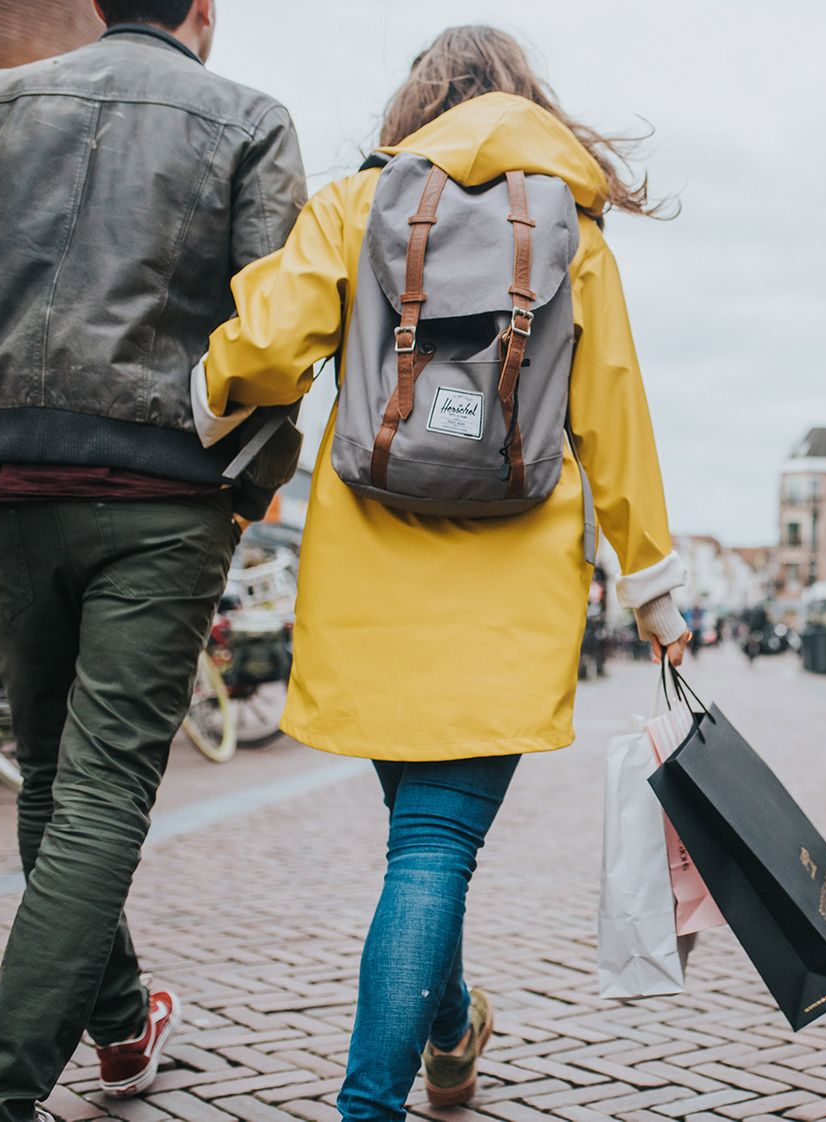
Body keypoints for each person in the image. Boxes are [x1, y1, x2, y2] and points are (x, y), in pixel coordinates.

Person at [195, 25, 689, 1121]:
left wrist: (207, 390)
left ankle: (449, 1028)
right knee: (434, 848)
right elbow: (614, 416)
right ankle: (380, 1094)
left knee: (422, 847)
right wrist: (653, 588)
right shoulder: (574, 236)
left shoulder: (356, 206)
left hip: (370, 588)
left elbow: (265, 348)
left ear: (418, 104)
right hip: (510, 600)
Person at [0, 3, 304, 1119]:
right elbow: (277, 328)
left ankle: (121, 1028)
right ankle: (0, 1090)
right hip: (164, 490)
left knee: (51, 775)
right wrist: (245, 485)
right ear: (203, 11)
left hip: (11, 481)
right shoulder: (250, 119)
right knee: (105, 788)